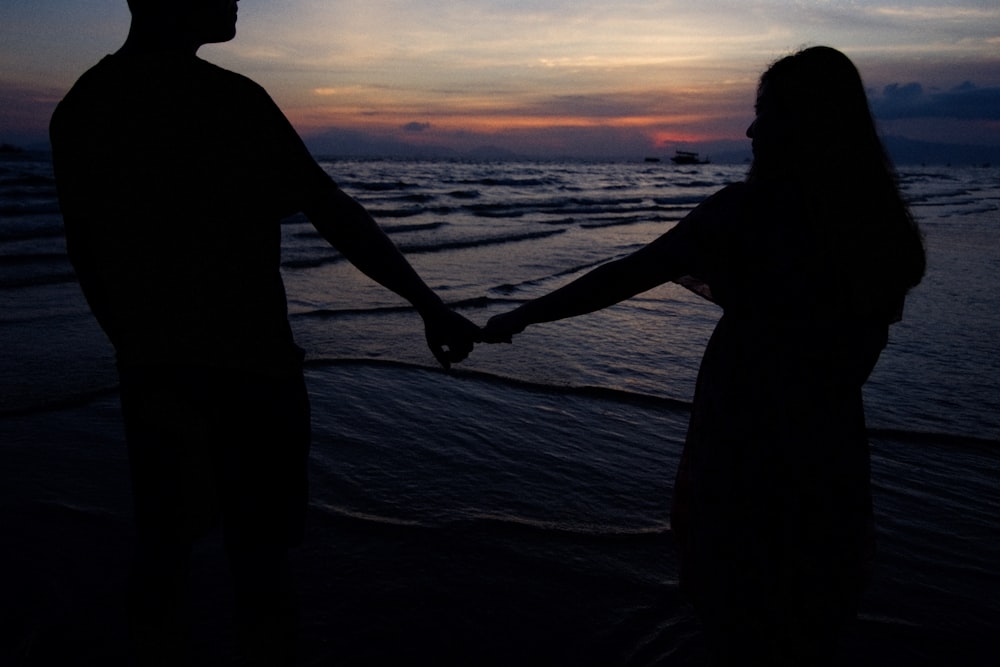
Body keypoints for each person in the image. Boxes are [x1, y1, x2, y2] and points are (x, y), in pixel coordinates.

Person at [49, 0, 480, 664]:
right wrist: (427, 303)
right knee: (259, 568)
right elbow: (332, 209)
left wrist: (140, 355)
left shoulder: (85, 103)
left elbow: (91, 258)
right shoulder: (230, 99)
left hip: (158, 372)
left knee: (165, 553)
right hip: (254, 372)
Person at [482, 46, 925, 665]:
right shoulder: (881, 230)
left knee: (737, 611)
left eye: (765, 113)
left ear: (805, 122)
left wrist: (518, 316)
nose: (750, 130)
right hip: (828, 455)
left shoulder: (745, 216)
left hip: (742, 448)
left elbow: (623, 275)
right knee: (809, 616)